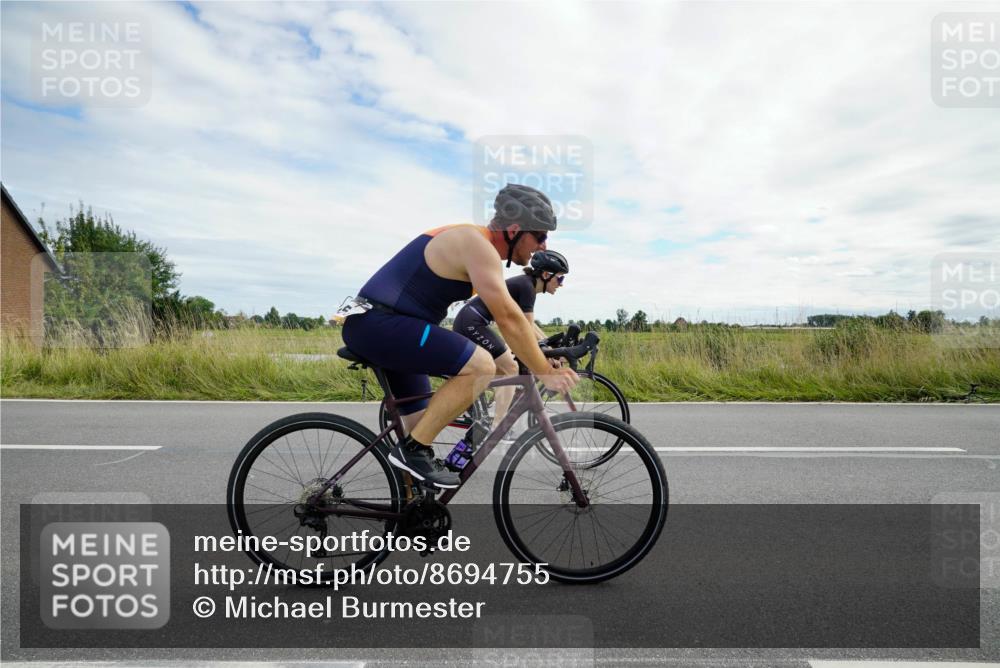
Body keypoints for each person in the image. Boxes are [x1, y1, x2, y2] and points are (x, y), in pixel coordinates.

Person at [341, 184, 579, 489]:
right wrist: (543, 372)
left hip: (391, 327)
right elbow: (507, 318)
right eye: (540, 236)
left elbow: (517, 321)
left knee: (420, 437)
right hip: (380, 323)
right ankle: (413, 451)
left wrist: (542, 354)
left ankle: (408, 520)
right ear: (515, 229)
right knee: (480, 366)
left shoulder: (479, 247)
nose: (543, 246)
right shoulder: (476, 244)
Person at [453, 250, 569, 438]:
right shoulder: (526, 287)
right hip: (472, 322)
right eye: (560, 279)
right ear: (546, 275)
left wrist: (550, 347)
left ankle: (472, 399)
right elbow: (525, 330)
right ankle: (498, 427)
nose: (561, 285)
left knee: (501, 373)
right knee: (510, 367)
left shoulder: (526, 285)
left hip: (471, 321)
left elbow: (529, 325)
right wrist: (547, 353)